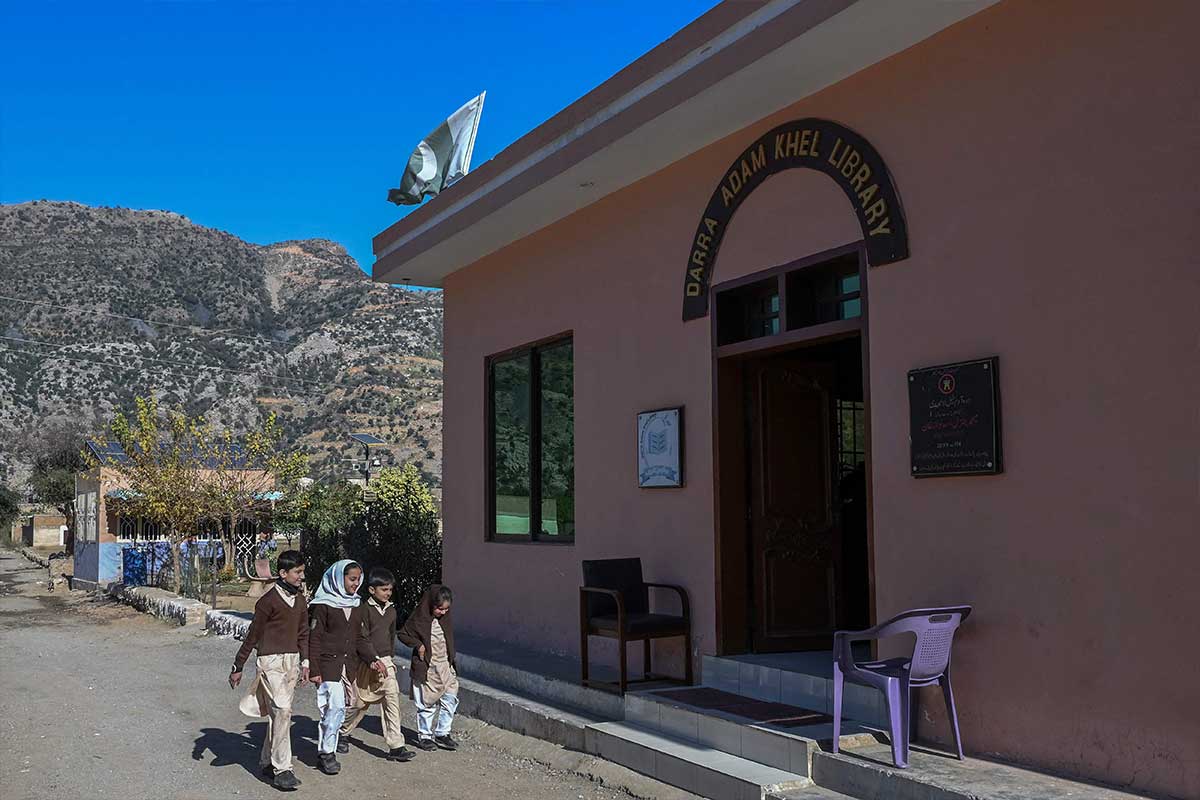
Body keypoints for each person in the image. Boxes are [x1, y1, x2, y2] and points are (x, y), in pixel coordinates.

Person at [229, 549, 310, 792]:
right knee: (283, 710)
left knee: (279, 713)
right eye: (297, 572)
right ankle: (282, 769)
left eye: (302, 572)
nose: (300, 577)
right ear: (283, 573)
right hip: (270, 662)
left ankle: (266, 761)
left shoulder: (300, 599)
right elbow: (253, 635)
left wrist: (305, 663)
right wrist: (238, 665)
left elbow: (304, 632)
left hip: (292, 662)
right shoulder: (267, 602)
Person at [339, 567, 415, 762]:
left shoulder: (391, 611)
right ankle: (342, 732)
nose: (387, 593)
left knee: (392, 698)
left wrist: (389, 658)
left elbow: (391, 636)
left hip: (385, 662)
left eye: (390, 590)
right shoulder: (363, 610)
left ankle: (396, 746)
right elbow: (361, 638)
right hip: (366, 662)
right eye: (384, 590)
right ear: (372, 590)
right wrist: (372, 659)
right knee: (360, 703)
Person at [308, 559, 365, 776]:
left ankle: (336, 737)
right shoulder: (322, 606)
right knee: (334, 707)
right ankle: (326, 753)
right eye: (351, 579)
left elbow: (360, 638)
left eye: (358, 579)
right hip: (327, 665)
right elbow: (314, 638)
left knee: (351, 704)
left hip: (348, 666)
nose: (355, 584)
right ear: (338, 579)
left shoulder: (356, 604)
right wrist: (314, 669)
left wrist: (373, 659)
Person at [398, 584, 459, 751]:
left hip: (445, 667)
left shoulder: (444, 619)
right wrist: (418, 645)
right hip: (428, 668)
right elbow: (403, 634)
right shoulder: (419, 618)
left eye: (446, 609)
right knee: (427, 703)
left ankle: (442, 734)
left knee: (450, 699)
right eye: (440, 609)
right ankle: (425, 736)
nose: (443, 612)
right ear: (431, 604)